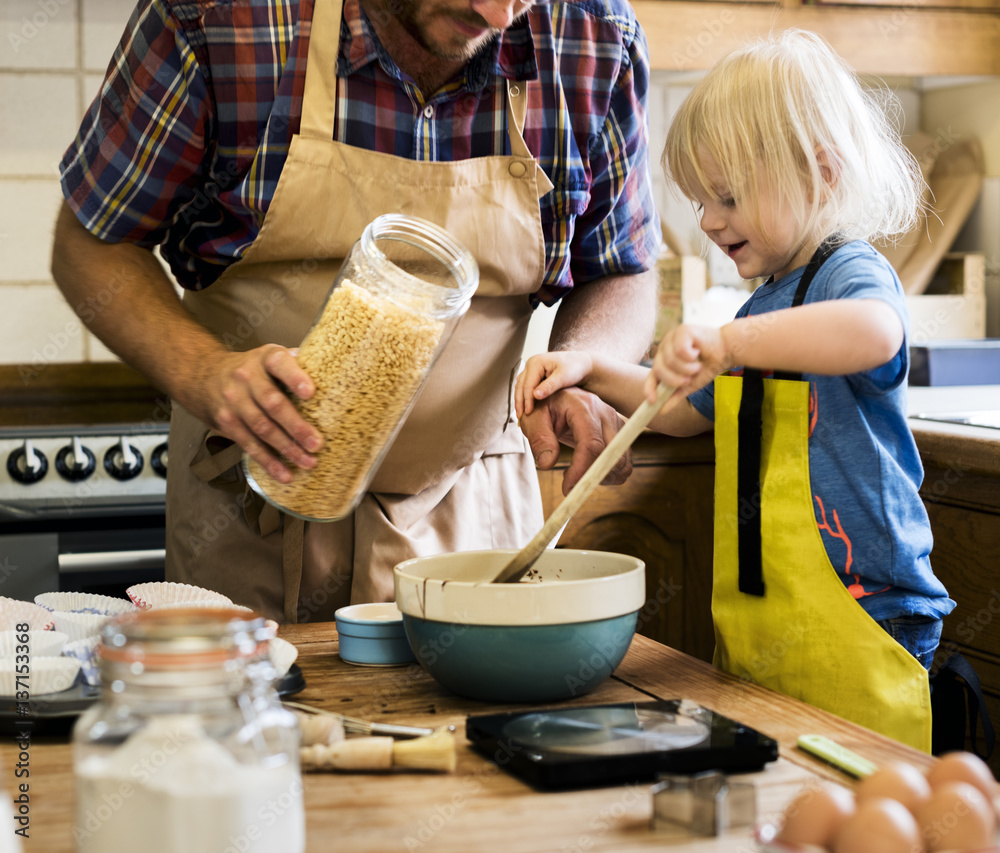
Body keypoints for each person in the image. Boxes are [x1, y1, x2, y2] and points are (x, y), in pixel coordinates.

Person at [51, 0, 660, 624]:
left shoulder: (593, 35)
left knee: (467, 723)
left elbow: (621, 268)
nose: (498, 15)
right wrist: (205, 372)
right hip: (246, 508)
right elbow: (90, 244)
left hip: (472, 511)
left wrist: (587, 364)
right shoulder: (218, 19)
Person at [515, 28, 954, 752]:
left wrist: (729, 342)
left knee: (861, 802)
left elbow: (878, 333)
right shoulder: (761, 304)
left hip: (869, 611)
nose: (711, 221)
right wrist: (590, 369)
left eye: (728, 195)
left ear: (822, 172)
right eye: (700, 200)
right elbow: (686, 410)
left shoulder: (848, 273)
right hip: (768, 613)